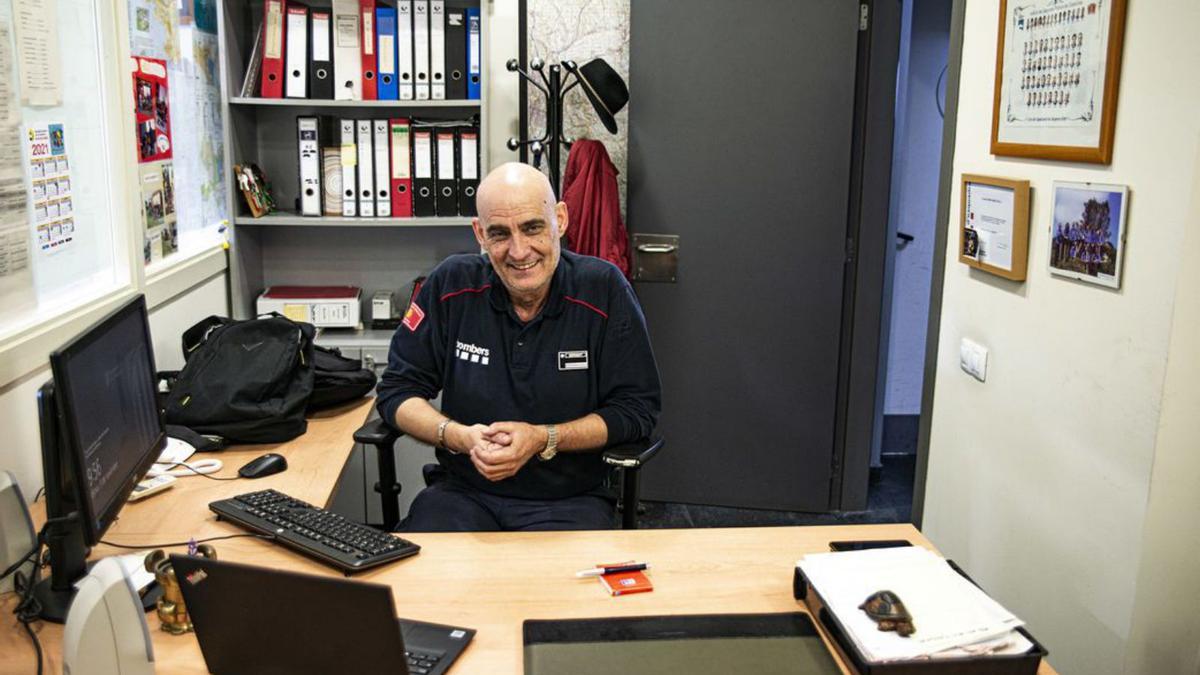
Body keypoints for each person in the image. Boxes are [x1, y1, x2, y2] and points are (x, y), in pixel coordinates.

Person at [376, 162, 662, 532]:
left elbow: (636, 410)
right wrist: (458, 436)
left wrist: (545, 438)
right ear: (479, 234)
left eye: (532, 227)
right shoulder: (451, 284)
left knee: (558, 589)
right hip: (463, 494)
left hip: (569, 501)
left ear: (560, 219)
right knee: (420, 583)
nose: (519, 250)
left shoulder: (604, 289)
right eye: (499, 233)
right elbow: (398, 391)